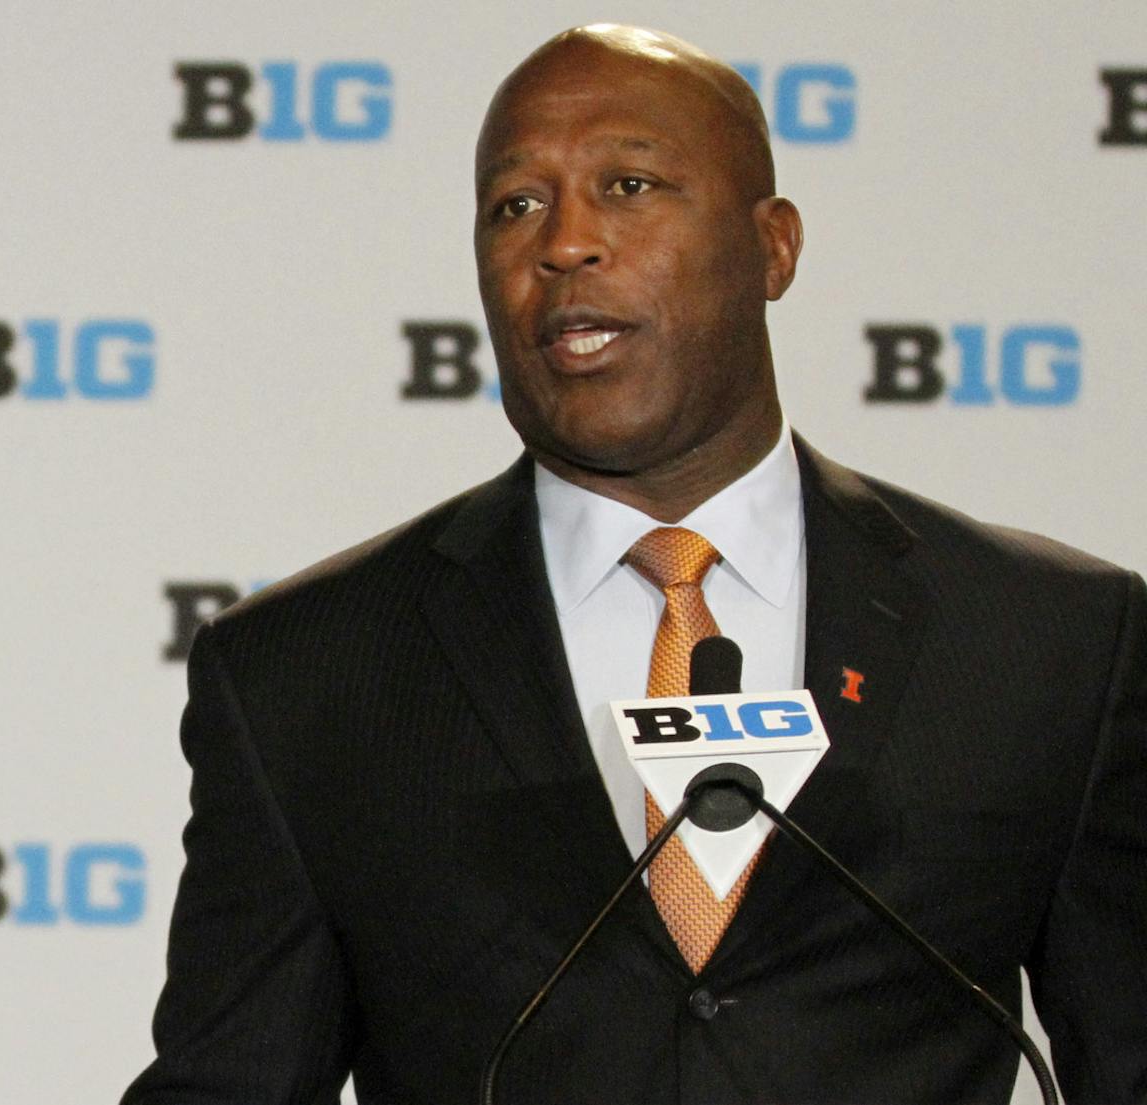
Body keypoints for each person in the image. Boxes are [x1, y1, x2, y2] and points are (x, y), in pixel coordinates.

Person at [122, 23, 1147, 1105]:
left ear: (775, 248)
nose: (565, 243)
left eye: (630, 185)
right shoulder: (307, 673)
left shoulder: (1052, 641)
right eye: (516, 205)